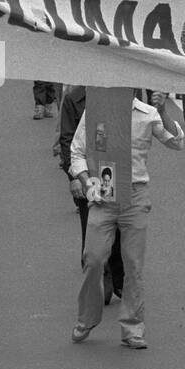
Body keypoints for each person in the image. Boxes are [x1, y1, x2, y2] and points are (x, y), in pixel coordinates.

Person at [69, 90, 185, 349]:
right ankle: (87, 317)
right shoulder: (96, 112)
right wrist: (87, 183)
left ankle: (132, 328)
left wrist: (164, 110)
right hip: (103, 193)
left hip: (135, 195)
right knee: (94, 258)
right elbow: (76, 152)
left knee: (133, 264)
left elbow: (176, 142)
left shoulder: (147, 114)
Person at [59, 85, 126, 305]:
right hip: (86, 174)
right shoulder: (73, 98)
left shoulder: (121, 93)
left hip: (113, 172)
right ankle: (99, 278)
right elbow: (67, 141)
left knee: (118, 229)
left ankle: (119, 277)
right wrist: (74, 179)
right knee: (92, 232)